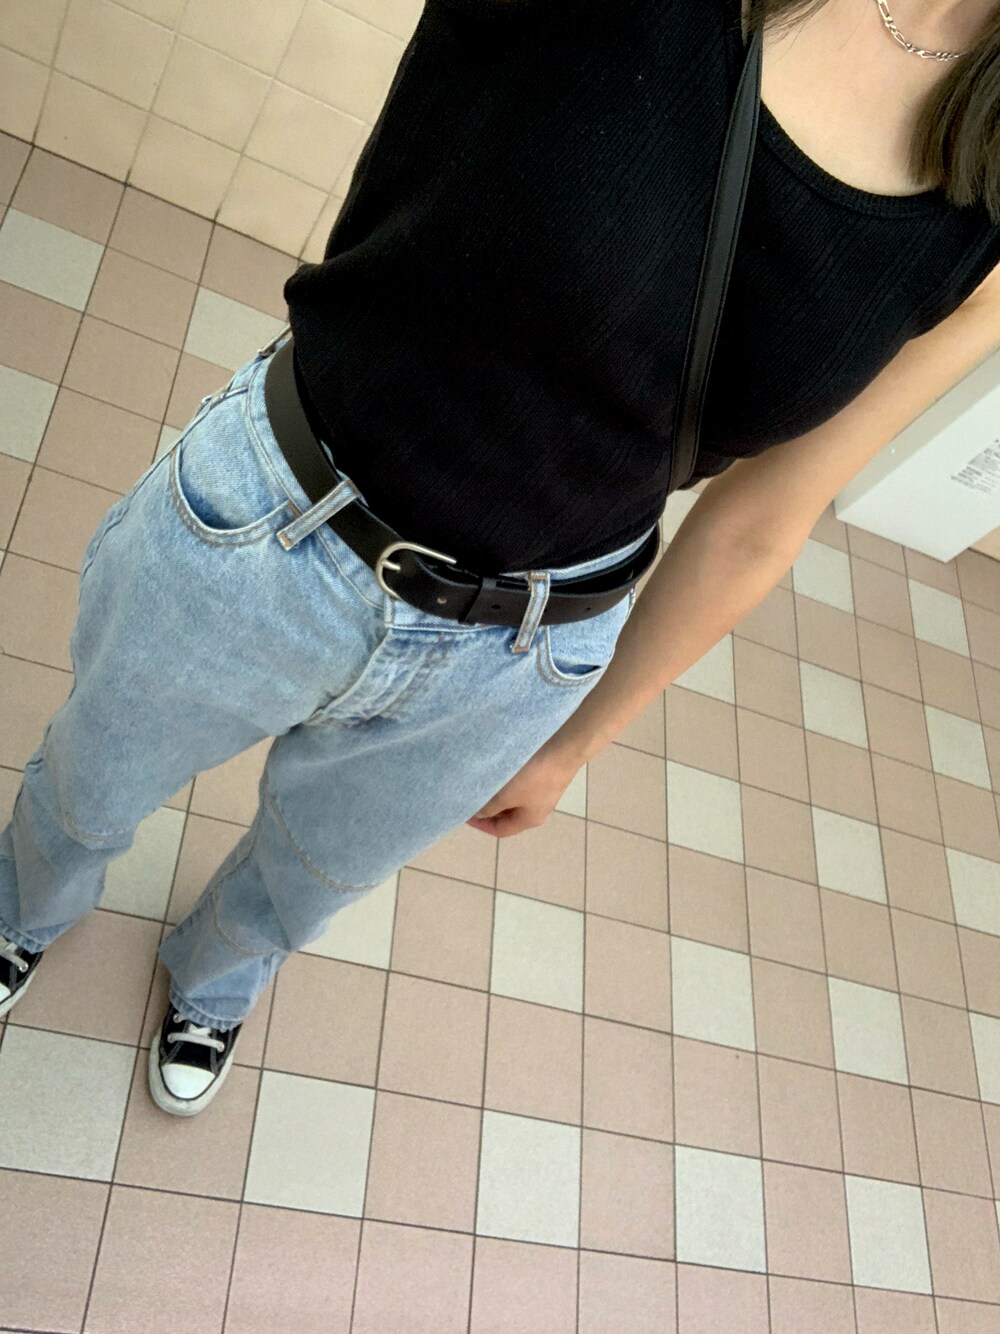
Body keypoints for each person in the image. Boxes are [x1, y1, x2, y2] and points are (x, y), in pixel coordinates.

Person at [1, 0, 998, 1117]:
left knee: (311, 876)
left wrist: (576, 737)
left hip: (521, 653)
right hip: (281, 512)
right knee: (90, 782)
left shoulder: (987, 207)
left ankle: (216, 976)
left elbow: (765, 515)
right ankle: (19, 912)